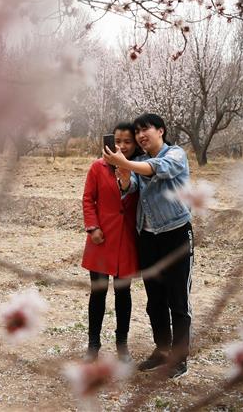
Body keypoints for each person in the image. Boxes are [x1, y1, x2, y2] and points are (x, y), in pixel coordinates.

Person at [103, 113, 193, 380]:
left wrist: (126, 163)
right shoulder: (137, 162)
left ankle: (179, 358)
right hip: (149, 238)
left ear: (161, 131)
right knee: (155, 301)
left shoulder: (176, 154)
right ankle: (162, 350)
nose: (141, 136)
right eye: (138, 132)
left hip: (175, 235)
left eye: (146, 130)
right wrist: (124, 174)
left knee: (178, 300)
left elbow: (159, 168)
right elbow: (130, 189)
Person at [80, 122, 142, 361]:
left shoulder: (139, 168)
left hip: (126, 240)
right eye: (117, 141)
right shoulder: (97, 167)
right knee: (98, 294)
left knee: (123, 293)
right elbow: (88, 199)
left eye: (127, 142)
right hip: (101, 239)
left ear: (134, 144)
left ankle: (122, 344)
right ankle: (93, 345)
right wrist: (93, 227)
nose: (122, 146)